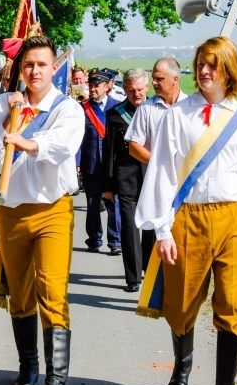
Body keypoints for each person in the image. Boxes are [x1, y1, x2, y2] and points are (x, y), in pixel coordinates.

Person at [135, 36, 237, 385]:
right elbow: (162, 173)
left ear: (229, 69)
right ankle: (181, 369)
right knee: (180, 304)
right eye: (200, 63)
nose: (203, 71)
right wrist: (162, 229)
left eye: (212, 64)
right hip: (188, 218)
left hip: (233, 218)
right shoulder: (176, 116)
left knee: (234, 307)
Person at [0, 35, 85, 385]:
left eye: (41, 64)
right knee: (19, 295)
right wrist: (8, 120)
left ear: (55, 68)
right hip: (11, 209)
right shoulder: (4, 105)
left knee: (52, 293)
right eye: (28, 64)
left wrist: (28, 142)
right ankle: (28, 365)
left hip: (52, 208)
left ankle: (56, 380)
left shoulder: (66, 109)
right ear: (20, 69)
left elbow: (64, 146)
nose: (34, 71)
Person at [101, 68, 155, 292]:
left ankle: (150, 272)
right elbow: (109, 151)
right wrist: (108, 186)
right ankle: (133, 278)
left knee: (151, 228)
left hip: (152, 178)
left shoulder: (159, 110)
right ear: (125, 89)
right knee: (130, 228)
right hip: (126, 179)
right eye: (132, 90)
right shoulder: (115, 114)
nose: (137, 94)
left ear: (148, 87)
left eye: (141, 89)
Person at [77, 68, 122, 254]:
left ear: (107, 86)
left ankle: (115, 242)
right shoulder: (82, 109)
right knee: (93, 204)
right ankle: (94, 239)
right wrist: (76, 162)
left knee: (114, 205)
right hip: (91, 164)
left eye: (96, 86)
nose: (92, 89)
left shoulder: (117, 107)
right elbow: (77, 138)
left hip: (112, 166)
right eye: (90, 85)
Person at [124, 57, 188, 167]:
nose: (154, 83)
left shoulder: (190, 107)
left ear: (175, 79)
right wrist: (160, 166)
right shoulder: (146, 108)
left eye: (159, 79)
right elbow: (134, 146)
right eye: (153, 78)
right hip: (157, 177)